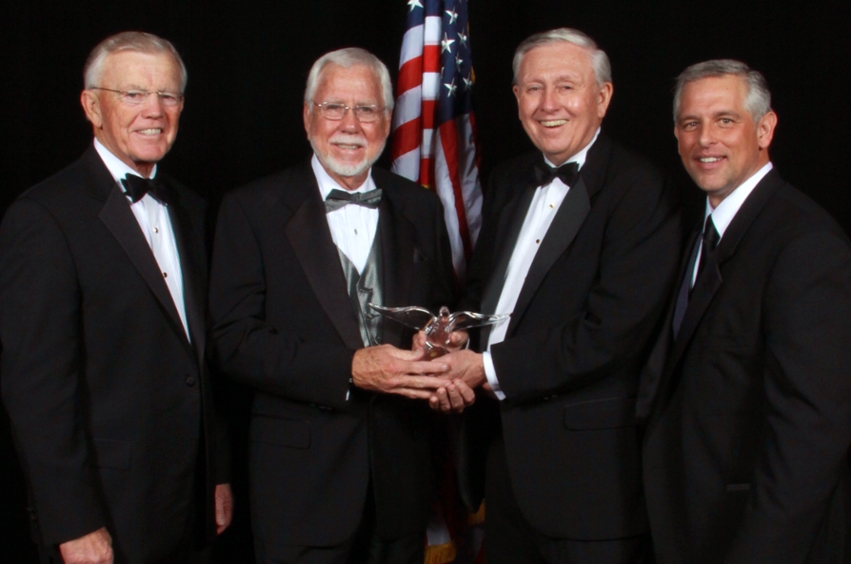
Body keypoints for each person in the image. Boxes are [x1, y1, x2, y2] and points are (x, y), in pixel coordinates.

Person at [431, 28, 682, 563]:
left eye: (566, 87)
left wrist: (484, 368)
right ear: (517, 98)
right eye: (533, 88)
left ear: (602, 97)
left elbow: (610, 333)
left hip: (590, 484)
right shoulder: (507, 179)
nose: (549, 105)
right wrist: (457, 336)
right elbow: (484, 290)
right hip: (502, 468)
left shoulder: (641, 190)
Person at [207, 47, 457, 564]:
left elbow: (438, 314)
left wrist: (443, 347)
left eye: (366, 109)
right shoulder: (250, 209)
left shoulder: (421, 207)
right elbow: (233, 341)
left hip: (401, 488)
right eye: (332, 107)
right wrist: (349, 368)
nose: (350, 125)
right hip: (299, 492)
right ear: (306, 115)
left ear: (388, 120)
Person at [0, 31, 232, 564]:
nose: (154, 110)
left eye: (168, 95)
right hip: (106, 511)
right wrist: (73, 521)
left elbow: (202, 359)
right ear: (91, 106)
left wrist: (215, 475)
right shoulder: (45, 218)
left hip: (188, 506)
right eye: (133, 94)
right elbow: (37, 394)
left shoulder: (193, 210)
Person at [638, 59, 851, 563]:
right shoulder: (699, 232)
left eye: (725, 120)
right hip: (687, 529)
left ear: (765, 128)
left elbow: (810, 439)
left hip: (757, 541)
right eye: (691, 123)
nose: (705, 139)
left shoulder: (806, 245)